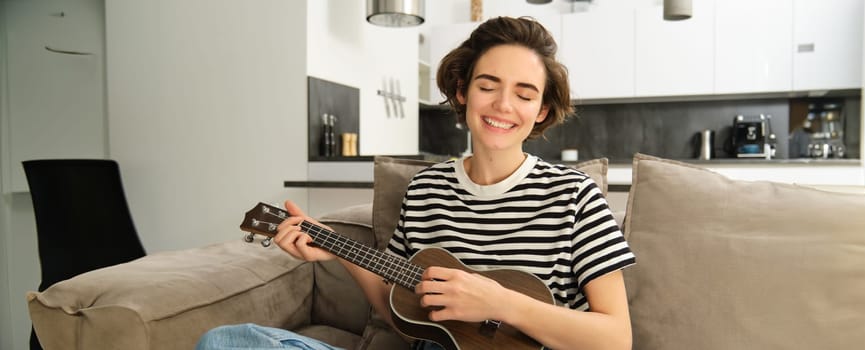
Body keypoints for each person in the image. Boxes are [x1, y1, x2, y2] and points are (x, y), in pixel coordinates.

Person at [197, 16, 635, 350]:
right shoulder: (427, 190)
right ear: (462, 92)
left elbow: (617, 338)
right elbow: (397, 309)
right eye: (488, 86)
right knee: (227, 342)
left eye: (524, 94)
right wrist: (332, 245)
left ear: (541, 110)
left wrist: (499, 303)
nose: (504, 105)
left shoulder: (576, 195)